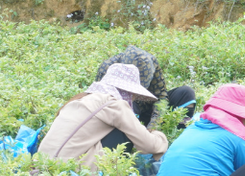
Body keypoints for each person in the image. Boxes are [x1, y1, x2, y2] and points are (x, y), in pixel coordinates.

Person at [37, 63, 168, 169]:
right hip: (70, 172)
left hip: (41, 168)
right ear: (128, 91)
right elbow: (149, 145)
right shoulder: (114, 105)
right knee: (124, 133)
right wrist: (158, 135)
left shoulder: (81, 100)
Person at [95, 45, 195, 130]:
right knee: (128, 103)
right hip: (124, 114)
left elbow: (161, 96)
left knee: (186, 93)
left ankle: (179, 132)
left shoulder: (152, 63)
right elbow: (101, 104)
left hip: (148, 109)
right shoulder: (107, 67)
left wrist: (154, 124)